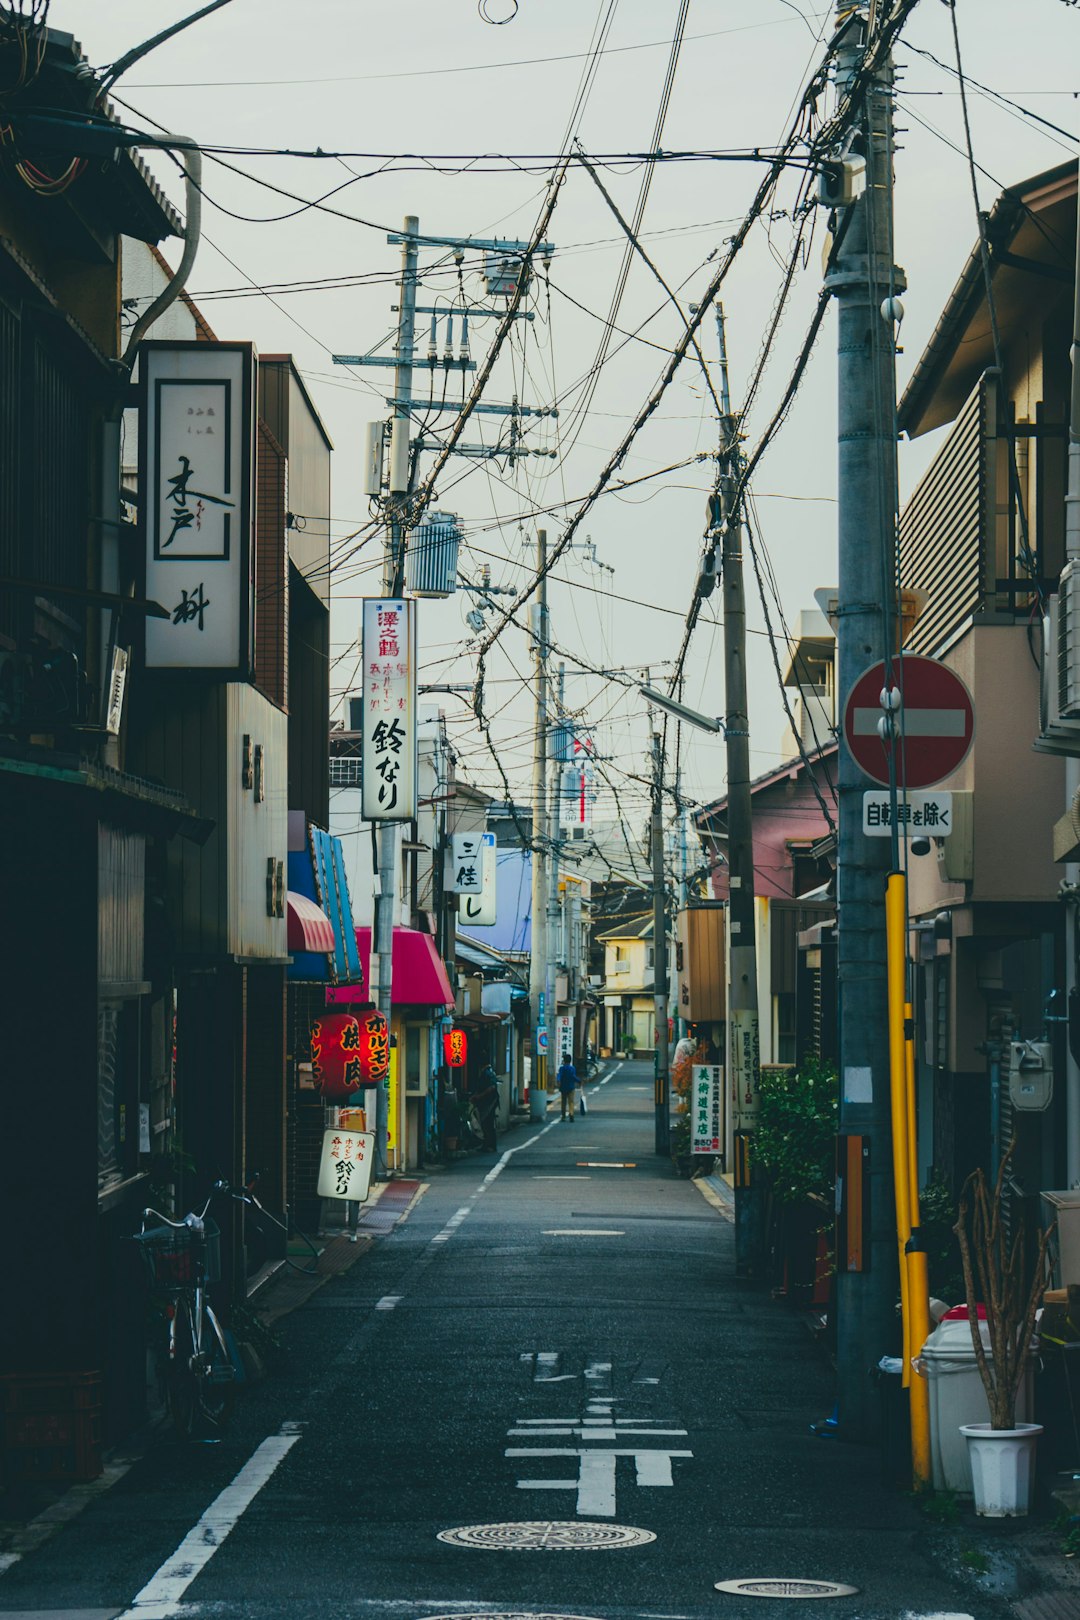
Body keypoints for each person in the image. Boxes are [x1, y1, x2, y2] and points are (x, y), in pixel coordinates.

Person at [473, 1063, 499, 1151]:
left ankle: (489, 1145)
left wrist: (479, 1096)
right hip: (490, 1101)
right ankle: (490, 1144)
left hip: (489, 1102)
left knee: (487, 1123)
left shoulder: (487, 1073)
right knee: (488, 1123)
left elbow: (491, 1087)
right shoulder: (489, 1072)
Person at [556, 1055, 578, 1121]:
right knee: (571, 1102)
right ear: (570, 1060)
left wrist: (558, 1081)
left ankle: (563, 1116)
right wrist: (579, 1081)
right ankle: (571, 1114)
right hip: (571, 1087)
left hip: (563, 1087)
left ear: (564, 1061)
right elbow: (574, 1077)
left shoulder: (562, 1068)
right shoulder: (572, 1068)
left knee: (564, 1102)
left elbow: (559, 1076)